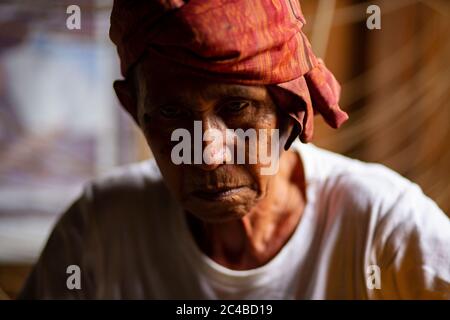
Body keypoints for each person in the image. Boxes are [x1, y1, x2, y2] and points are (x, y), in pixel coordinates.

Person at [19, 0, 449, 299]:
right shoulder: (99, 227)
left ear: (289, 109)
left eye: (237, 107)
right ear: (135, 109)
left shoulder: (382, 223)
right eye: (170, 111)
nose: (206, 154)